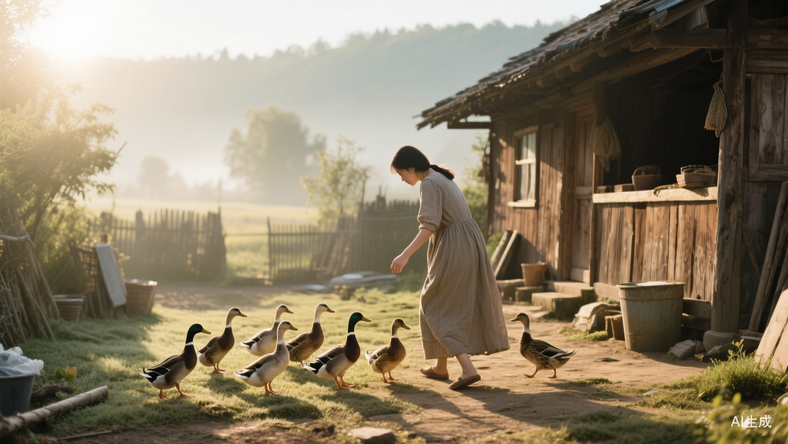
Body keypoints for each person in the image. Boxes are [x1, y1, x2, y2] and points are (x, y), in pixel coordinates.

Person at [389, 145, 509, 390]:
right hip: (468, 244)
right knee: (441, 303)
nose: (402, 179)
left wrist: (405, 254)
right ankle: (440, 367)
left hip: (455, 247)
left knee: (434, 304)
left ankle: (467, 369)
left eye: (402, 173)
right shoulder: (441, 177)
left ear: (412, 168)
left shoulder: (429, 184)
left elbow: (429, 226)